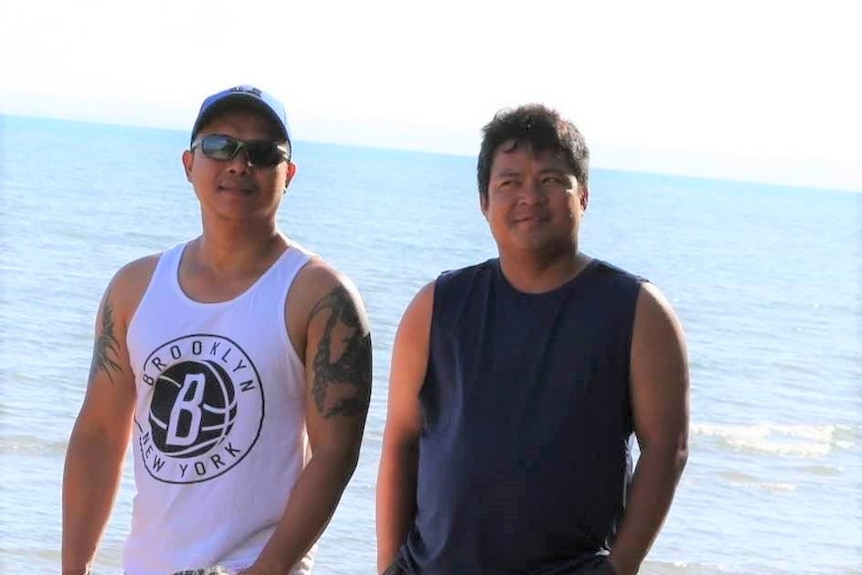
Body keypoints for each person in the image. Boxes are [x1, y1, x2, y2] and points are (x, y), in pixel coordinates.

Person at [62, 85, 373, 575]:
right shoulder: (133, 287)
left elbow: (336, 454)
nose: (238, 163)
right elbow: (98, 434)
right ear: (189, 164)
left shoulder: (320, 297)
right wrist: (73, 567)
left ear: (288, 174)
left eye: (263, 153)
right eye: (219, 146)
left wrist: (266, 571)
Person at [376, 104, 689, 575]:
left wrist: (619, 567)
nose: (529, 196)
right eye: (509, 182)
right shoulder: (437, 305)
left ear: (582, 196)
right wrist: (387, 565)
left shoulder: (639, 311)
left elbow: (667, 448)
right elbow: (401, 441)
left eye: (550, 180)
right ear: (484, 201)